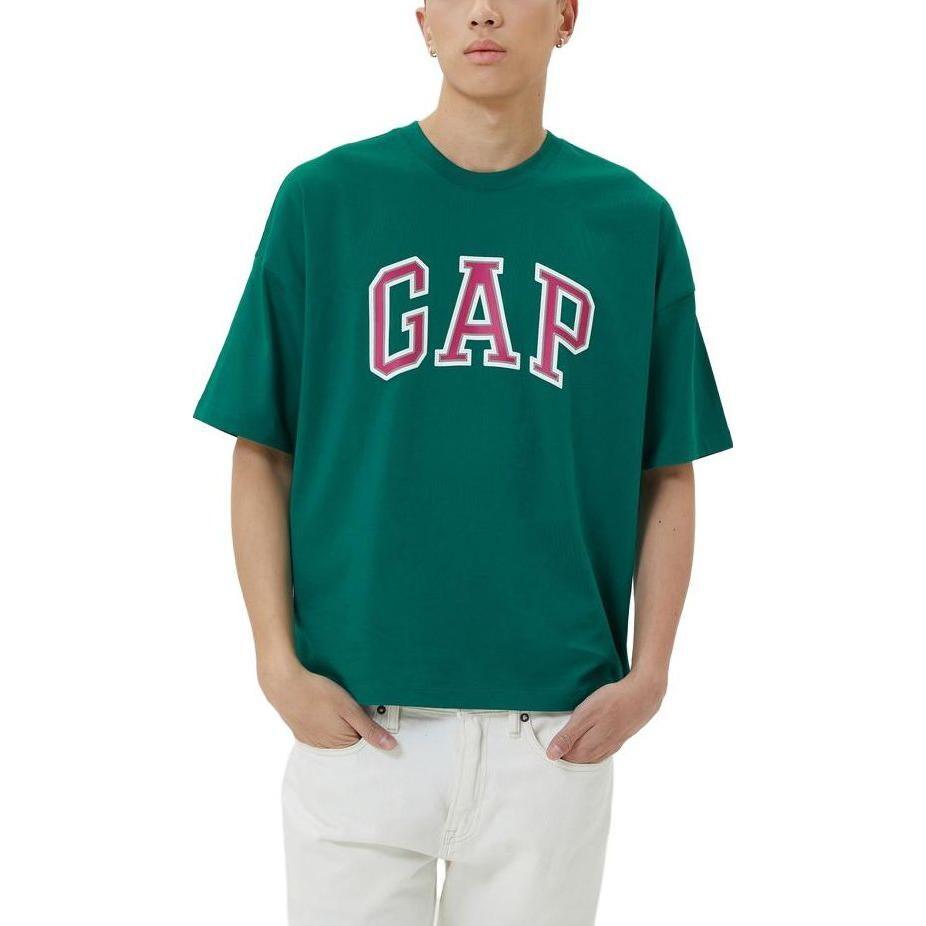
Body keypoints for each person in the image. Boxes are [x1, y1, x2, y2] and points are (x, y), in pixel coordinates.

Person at [193, 1, 732, 922]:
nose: (484, 10)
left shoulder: (631, 220)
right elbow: (262, 447)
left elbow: (667, 469)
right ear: (423, 21)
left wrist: (651, 675)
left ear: (565, 16)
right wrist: (276, 663)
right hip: (360, 720)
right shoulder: (326, 200)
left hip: (553, 731)